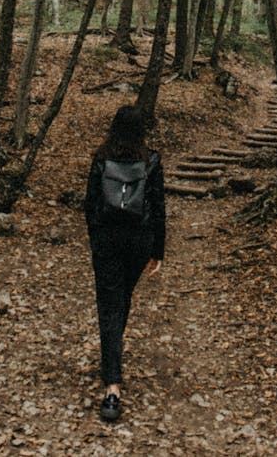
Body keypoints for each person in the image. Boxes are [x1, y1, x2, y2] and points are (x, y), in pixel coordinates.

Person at [84, 104, 166, 422]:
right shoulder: (151, 161)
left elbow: (90, 204)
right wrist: (157, 250)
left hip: (107, 241)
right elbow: (158, 206)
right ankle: (113, 378)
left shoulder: (101, 158)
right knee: (121, 300)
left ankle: (112, 379)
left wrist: (96, 239)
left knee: (111, 304)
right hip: (138, 240)